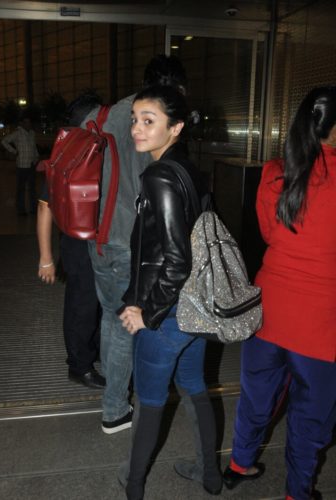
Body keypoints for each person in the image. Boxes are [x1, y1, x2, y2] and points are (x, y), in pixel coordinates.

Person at [222, 87, 336, 500]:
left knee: (256, 395)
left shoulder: (275, 172)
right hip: (321, 326)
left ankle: (238, 464)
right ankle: (297, 492)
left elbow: (271, 234)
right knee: (311, 416)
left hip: (267, 313)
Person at [118, 85, 223, 499]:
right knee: (195, 385)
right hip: (195, 308)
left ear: (175, 127)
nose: (137, 129)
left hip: (167, 313)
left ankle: (134, 486)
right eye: (135, 120)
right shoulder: (189, 170)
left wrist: (147, 311)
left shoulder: (159, 175)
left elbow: (177, 258)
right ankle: (209, 474)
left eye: (149, 121)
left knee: (149, 399)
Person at [84, 55, 189, 434]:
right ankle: (116, 408)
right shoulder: (156, 121)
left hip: (99, 237)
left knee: (113, 321)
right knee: (129, 324)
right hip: (133, 243)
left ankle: (116, 401)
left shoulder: (107, 114)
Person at [37, 91, 104, 389]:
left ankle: (93, 352)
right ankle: (79, 365)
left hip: (90, 241)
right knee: (82, 305)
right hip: (78, 243)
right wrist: (46, 258)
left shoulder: (79, 148)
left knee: (94, 303)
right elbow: (44, 206)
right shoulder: (71, 153)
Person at [1, 115, 39, 215]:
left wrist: (36, 157)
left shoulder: (32, 133)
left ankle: (33, 209)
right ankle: (21, 209)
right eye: (26, 122)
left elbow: (34, 147)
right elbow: (4, 141)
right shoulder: (17, 133)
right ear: (22, 123)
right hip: (22, 165)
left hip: (31, 164)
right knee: (21, 189)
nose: (28, 124)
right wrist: (14, 151)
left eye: (29, 122)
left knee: (32, 188)